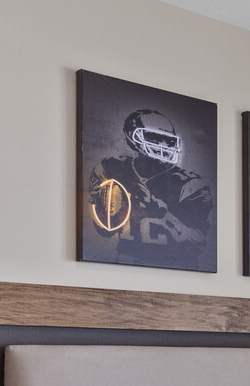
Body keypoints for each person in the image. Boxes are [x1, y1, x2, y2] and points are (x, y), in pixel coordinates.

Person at [87, 109, 214, 269]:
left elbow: (197, 244)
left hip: (174, 269)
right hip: (125, 265)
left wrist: (158, 210)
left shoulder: (189, 184)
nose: (163, 145)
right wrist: (111, 208)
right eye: (155, 138)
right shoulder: (111, 168)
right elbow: (105, 231)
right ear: (132, 137)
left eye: (168, 140)